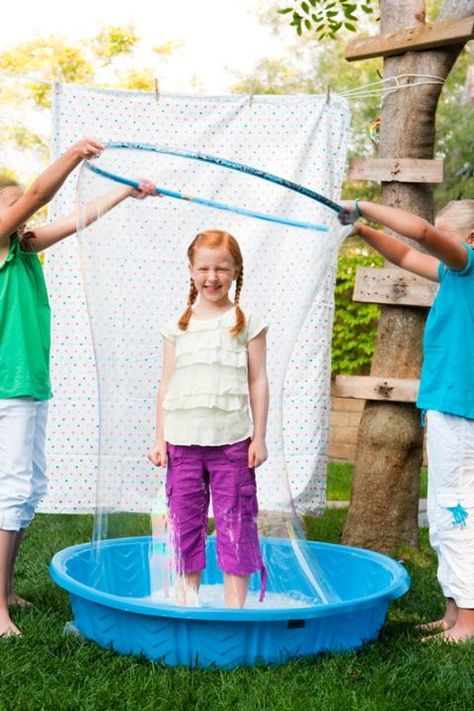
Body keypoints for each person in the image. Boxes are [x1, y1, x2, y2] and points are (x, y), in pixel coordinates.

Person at [0, 138, 156, 636]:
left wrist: (124, 194)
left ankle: (3, 591)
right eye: (11, 203)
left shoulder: (23, 251)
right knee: (11, 491)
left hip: (27, 388)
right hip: (8, 389)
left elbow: (74, 220)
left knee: (26, 490)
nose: (21, 211)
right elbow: (40, 196)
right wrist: (73, 155)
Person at [339, 197, 474, 642]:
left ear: (470, 241)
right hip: (448, 410)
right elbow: (404, 253)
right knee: (446, 510)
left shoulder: (469, 265)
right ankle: (454, 613)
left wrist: (361, 204)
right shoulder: (456, 276)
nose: (439, 248)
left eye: (446, 238)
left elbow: (418, 234)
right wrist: (362, 231)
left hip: (461, 414)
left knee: (461, 514)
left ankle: (470, 623)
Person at [148, 229, 269, 608]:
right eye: (203, 268)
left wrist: (259, 437)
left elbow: (258, 380)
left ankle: (235, 610)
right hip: (182, 443)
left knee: (236, 523)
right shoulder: (178, 325)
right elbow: (167, 383)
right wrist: (159, 438)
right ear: (190, 270)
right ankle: (189, 603)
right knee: (184, 524)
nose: (212, 277)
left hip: (232, 443)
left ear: (235, 272)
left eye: (221, 269)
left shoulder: (245, 320)